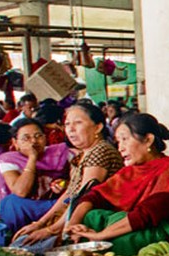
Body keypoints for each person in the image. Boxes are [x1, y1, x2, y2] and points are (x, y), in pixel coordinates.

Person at [64, 113, 169, 256]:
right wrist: (73, 224)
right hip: (140, 224)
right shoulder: (130, 172)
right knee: (92, 216)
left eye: (125, 139)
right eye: (118, 142)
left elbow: (145, 214)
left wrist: (101, 236)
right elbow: (95, 196)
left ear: (148, 140)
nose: (120, 148)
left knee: (118, 240)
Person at [11, 104, 124, 248]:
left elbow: (82, 198)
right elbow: (70, 193)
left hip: (92, 221)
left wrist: (51, 230)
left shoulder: (100, 151)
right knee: (21, 243)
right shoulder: (85, 153)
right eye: (67, 124)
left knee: (26, 248)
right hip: (74, 217)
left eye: (78, 123)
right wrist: (40, 223)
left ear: (98, 127)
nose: (70, 129)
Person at [0, 119, 72, 231]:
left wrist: (65, 184)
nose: (34, 141)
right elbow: (21, 191)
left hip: (55, 204)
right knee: (11, 202)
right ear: (15, 143)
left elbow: (79, 180)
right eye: (26, 138)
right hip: (28, 206)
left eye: (38, 136)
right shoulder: (8, 160)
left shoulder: (60, 152)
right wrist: (32, 158)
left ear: (45, 138)